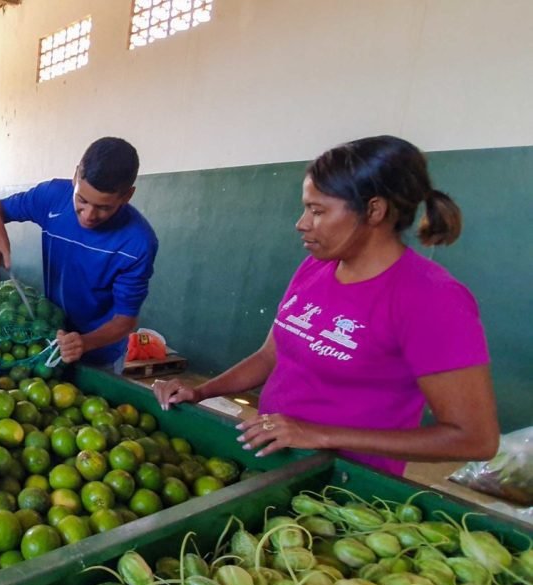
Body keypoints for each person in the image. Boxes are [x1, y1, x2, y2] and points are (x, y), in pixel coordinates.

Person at [153, 135, 498, 476]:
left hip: (343, 483)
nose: (301, 223)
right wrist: (200, 391)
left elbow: (473, 439)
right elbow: (270, 356)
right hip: (275, 459)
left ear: (374, 210)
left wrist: (319, 434)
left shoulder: (431, 299)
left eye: (317, 211)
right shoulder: (316, 267)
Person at [0, 137, 158, 372]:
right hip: (47, 338)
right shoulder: (52, 197)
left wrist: (84, 343)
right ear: (76, 176)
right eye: (81, 200)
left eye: (104, 207)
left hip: (100, 356)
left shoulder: (137, 243)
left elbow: (125, 321)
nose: (88, 215)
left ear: (127, 196)